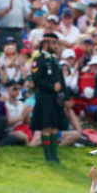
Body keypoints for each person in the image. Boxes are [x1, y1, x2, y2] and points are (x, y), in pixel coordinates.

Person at [30, 33, 68, 163]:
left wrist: (65, 96)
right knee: (46, 127)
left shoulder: (55, 60)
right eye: (53, 43)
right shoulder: (39, 60)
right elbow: (36, 80)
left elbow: (61, 80)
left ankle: (54, 155)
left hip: (56, 99)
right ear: (46, 44)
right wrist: (52, 87)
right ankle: (48, 157)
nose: (56, 46)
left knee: (54, 127)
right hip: (44, 98)